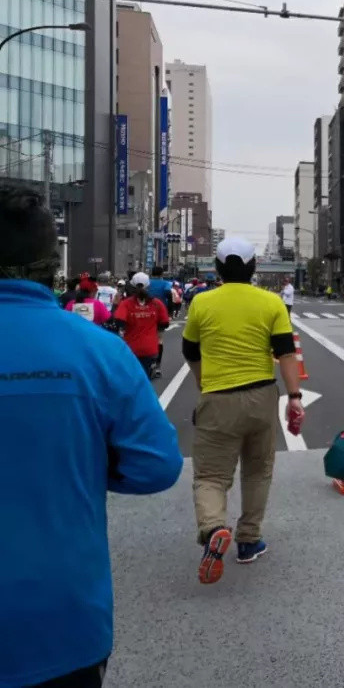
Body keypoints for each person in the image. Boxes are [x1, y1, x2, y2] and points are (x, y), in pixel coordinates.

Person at [0, 184, 182, 688]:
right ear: (47, 259)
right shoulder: (96, 351)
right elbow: (157, 465)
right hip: (61, 618)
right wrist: (81, 460)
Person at [181, 237, 306, 585]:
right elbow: (285, 353)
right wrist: (294, 397)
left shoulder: (202, 303)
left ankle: (213, 529)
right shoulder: (271, 303)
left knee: (210, 476)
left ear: (217, 269)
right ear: (254, 269)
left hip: (218, 397)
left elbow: (190, 350)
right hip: (262, 397)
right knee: (258, 471)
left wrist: (203, 383)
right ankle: (248, 541)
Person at [114, 273, 171, 379]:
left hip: (131, 348)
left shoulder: (126, 303)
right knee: (145, 379)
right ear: (148, 286)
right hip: (150, 348)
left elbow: (118, 321)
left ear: (132, 286)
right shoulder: (156, 303)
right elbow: (164, 323)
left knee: (131, 378)